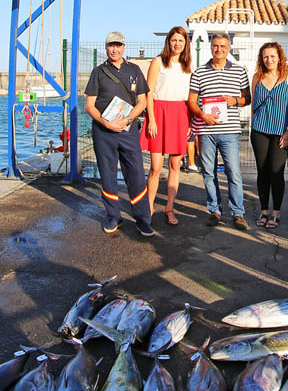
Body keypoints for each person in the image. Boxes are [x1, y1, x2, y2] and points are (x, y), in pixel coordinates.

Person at [84, 31, 152, 236]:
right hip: (104, 132)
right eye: (111, 45)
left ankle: (142, 218)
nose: (115, 49)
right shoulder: (98, 72)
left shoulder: (134, 70)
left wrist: (128, 120)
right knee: (108, 174)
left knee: (137, 173)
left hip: (128, 130)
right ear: (106, 48)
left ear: (124, 47)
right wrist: (106, 122)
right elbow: (89, 105)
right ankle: (113, 216)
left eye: (118, 45)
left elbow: (143, 101)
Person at [187, 33, 251, 230]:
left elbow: (247, 98)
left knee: (234, 172)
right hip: (206, 131)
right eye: (216, 45)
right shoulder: (199, 72)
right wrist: (202, 115)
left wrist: (235, 101)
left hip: (230, 131)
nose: (219, 49)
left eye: (223, 46)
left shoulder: (239, 72)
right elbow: (191, 101)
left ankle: (238, 213)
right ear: (211, 47)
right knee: (208, 172)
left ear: (229, 47)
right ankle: (214, 210)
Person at [140, 26, 192, 226]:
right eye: (174, 40)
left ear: (185, 43)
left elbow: (189, 98)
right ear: (168, 42)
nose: (177, 44)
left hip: (180, 115)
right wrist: (151, 118)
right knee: (155, 167)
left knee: (174, 165)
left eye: (181, 40)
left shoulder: (188, 66)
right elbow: (149, 92)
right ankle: (149, 207)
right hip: (159, 114)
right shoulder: (158, 62)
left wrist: (188, 121)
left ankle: (169, 209)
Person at [250, 42, 288, 229]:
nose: (269, 60)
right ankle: (263, 211)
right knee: (262, 172)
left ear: (279, 57)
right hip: (259, 130)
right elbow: (253, 105)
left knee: (276, 172)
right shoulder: (256, 77)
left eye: (273, 56)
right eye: (265, 56)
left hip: (280, 132)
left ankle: (275, 212)